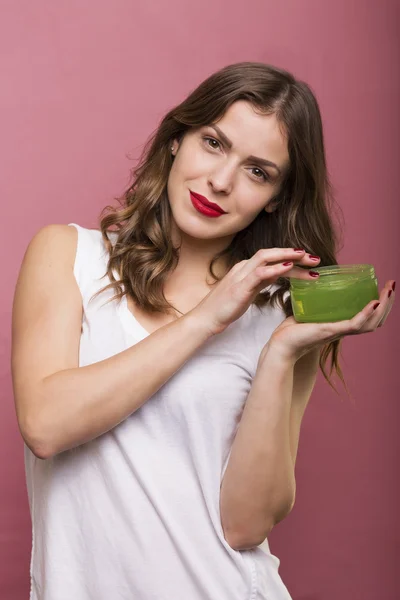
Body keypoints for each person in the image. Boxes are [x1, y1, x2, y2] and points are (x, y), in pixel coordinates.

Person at [11, 62, 395, 600]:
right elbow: (46, 425)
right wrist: (209, 318)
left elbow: (245, 525)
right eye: (213, 143)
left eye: (258, 171)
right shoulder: (69, 257)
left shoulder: (282, 316)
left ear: (277, 197)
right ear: (176, 140)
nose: (221, 181)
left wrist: (281, 352)